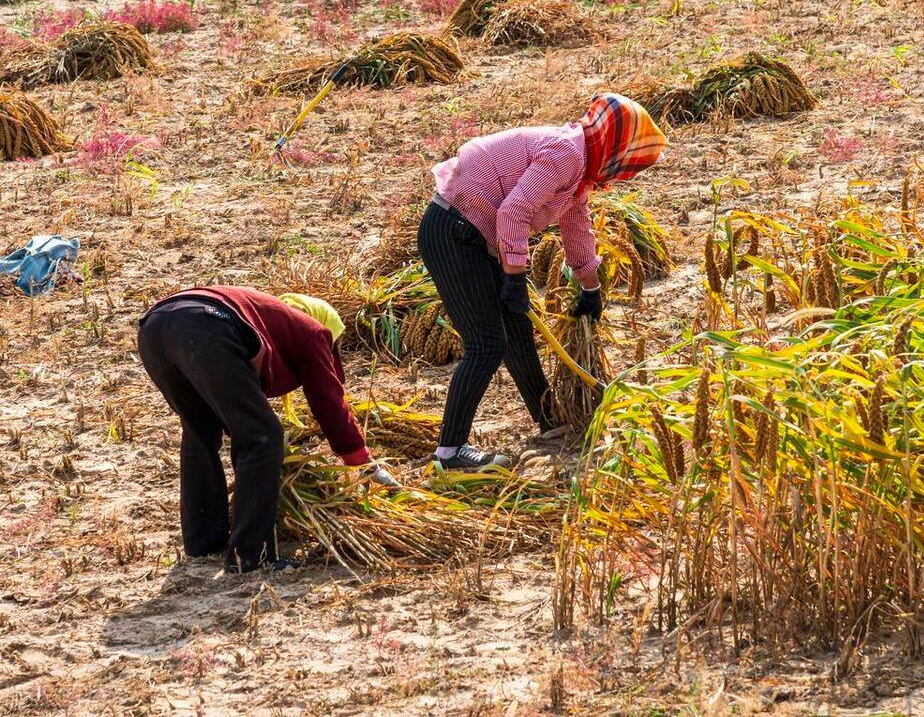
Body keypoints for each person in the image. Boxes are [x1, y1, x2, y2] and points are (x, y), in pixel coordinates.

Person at [417, 93, 668, 470]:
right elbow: (513, 212)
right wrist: (516, 278)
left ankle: (548, 418)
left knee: (517, 330)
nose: (623, 172)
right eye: (628, 161)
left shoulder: (579, 168)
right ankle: (450, 453)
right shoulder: (567, 154)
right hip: (453, 232)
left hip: (471, 232)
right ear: (615, 146)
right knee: (486, 344)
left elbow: (577, 229)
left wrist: (591, 288)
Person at [137, 286, 400, 573]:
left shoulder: (271, 317)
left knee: (200, 430)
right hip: (207, 324)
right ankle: (251, 555)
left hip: (154, 329)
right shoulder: (313, 331)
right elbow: (329, 402)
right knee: (263, 438)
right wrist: (359, 459)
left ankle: (204, 541)